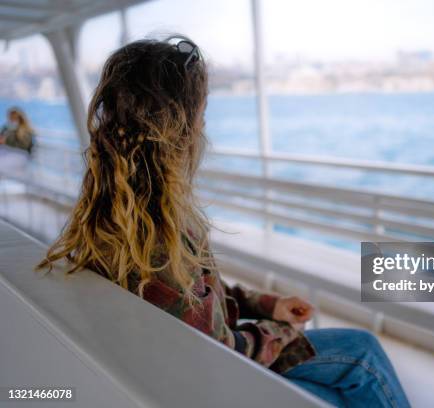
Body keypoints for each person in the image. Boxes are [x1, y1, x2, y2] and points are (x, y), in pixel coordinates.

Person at [37, 36, 410, 408]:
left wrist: (264, 305)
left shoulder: (114, 213)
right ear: (178, 126)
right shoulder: (162, 240)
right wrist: (281, 331)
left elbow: (195, 302)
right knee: (363, 356)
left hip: (166, 369)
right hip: (209, 383)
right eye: (201, 112)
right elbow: (221, 351)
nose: (203, 125)